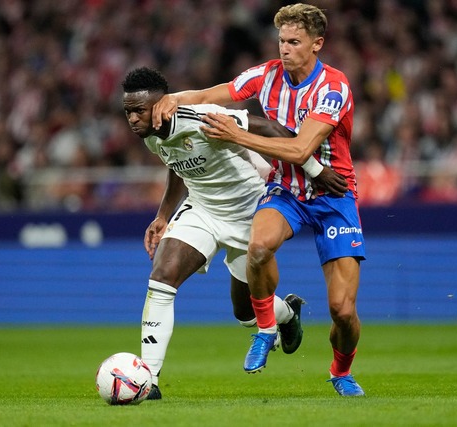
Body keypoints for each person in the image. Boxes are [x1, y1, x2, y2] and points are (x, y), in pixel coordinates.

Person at [151, 3, 367, 396]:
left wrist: (236, 134)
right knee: (258, 246)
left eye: (294, 41)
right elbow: (207, 93)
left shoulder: (333, 88)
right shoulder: (265, 75)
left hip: (334, 196)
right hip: (286, 190)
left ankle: (340, 371)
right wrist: (170, 99)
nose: (285, 49)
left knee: (343, 311)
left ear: (317, 44)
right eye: (281, 40)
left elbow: (301, 150)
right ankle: (266, 329)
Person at [121, 66, 348, 400]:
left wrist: (314, 169)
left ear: (161, 104)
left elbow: (270, 127)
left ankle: (286, 314)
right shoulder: (151, 134)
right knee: (162, 276)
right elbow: (177, 164)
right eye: (128, 111)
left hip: (247, 212)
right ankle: (148, 380)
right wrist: (163, 215)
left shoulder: (205, 118)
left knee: (246, 314)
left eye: (139, 110)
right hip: (203, 210)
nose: (132, 119)